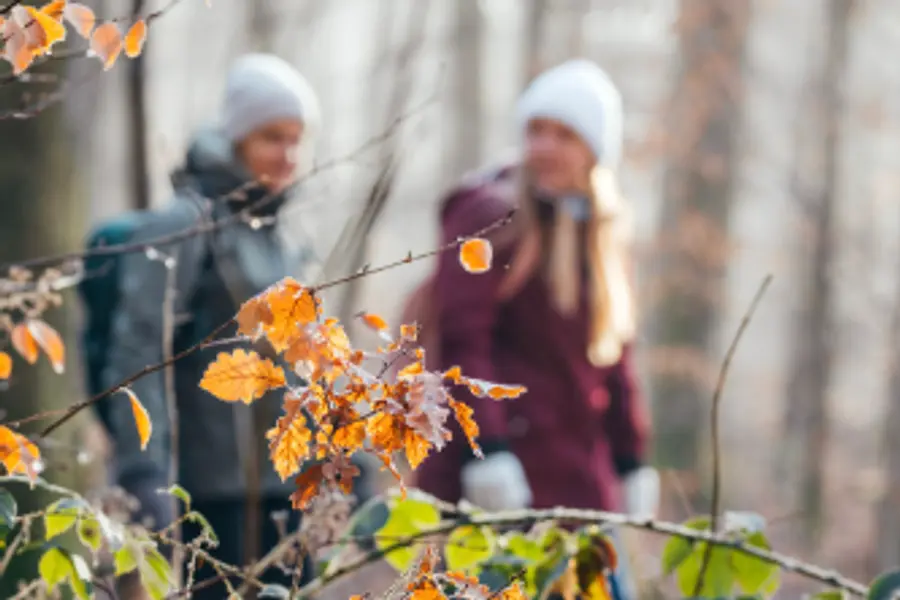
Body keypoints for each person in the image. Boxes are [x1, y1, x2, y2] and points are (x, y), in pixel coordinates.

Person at [97, 53, 371, 598]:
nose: (289, 154)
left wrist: (341, 448)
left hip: (284, 489)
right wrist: (143, 471)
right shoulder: (185, 223)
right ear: (238, 137)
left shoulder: (281, 231)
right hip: (208, 492)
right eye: (272, 136)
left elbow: (298, 362)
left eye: (298, 138)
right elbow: (138, 351)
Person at [406, 59, 660, 597]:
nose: (544, 146)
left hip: (576, 483)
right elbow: (462, 340)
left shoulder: (600, 233)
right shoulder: (490, 213)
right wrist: (489, 453)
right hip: (496, 484)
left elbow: (614, 359)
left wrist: (631, 459)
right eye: (536, 130)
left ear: (595, 151)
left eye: (564, 134)